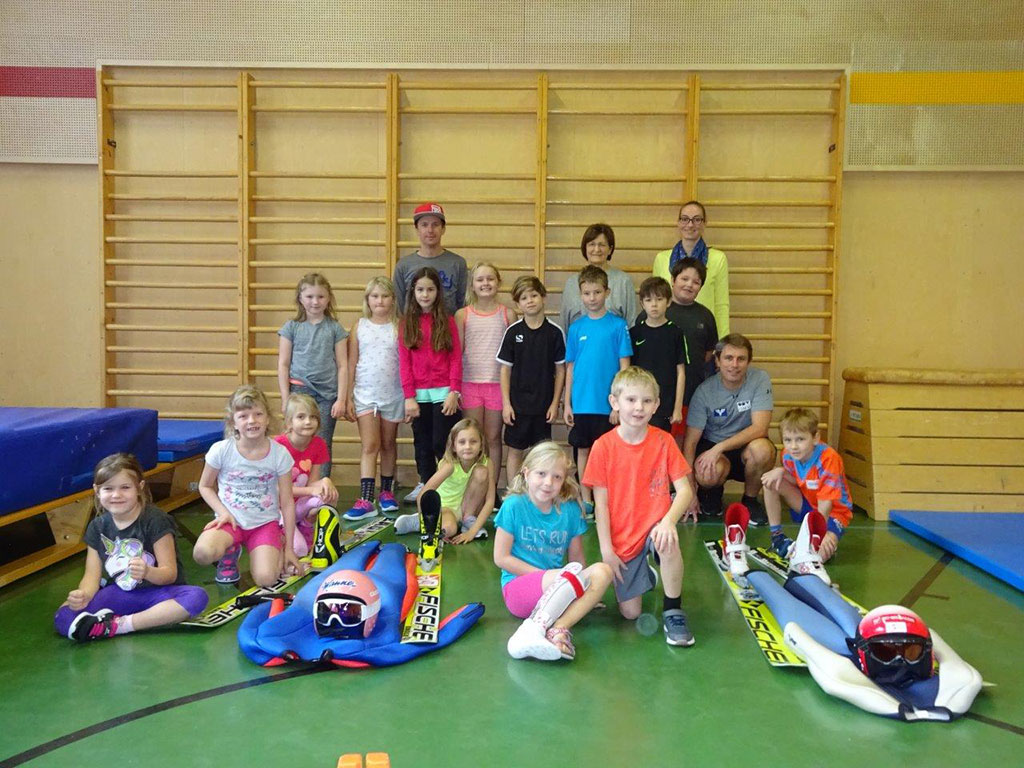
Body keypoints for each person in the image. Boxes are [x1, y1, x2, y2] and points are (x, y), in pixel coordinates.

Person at [583, 367, 696, 646]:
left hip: (656, 526)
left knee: (667, 541)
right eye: (631, 400)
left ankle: (673, 610)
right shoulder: (602, 447)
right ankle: (648, 573)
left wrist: (668, 521)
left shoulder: (664, 441)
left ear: (656, 405)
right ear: (614, 402)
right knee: (631, 614)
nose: (638, 408)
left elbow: (685, 491)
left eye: (646, 401)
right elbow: (601, 505)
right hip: (624, 536)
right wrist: (607, 550)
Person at [54, 453, 208, 642]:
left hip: (159, 594)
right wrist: (83, 595)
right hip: (119, 594)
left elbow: (170, 574)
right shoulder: (97, 527)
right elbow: (91, 577)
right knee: (63, 616)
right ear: (97, 490)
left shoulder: (155, 520)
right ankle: (120, 622)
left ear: (139, 487)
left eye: (125, 487)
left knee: (196, 597)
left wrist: (148, 572)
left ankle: (119, 625)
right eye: (108, 488)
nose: (116, 495)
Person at [494, 441, 612, 661]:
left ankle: (558, 628)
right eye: (541, 474)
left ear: (564, 479)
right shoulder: (514, 505)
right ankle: (530, 632)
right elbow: (501, 558)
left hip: (560, 585)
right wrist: (550, 578)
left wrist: (582, 589)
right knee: (570, 576)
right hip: (520, 589)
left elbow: (577, 560)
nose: (548, 482)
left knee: (603, 571)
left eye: (557, 477)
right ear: (526, 473)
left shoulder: (570, 510)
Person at [192, 385, 302, 587]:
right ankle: (230, 549)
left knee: (266, 579)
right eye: (243, 416)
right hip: (230, 522)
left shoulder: (279, 454)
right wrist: (223, 513)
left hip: (263, 524)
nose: (252, 421)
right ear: (233, 422)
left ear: (267, 419)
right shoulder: (221, 450)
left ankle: (277, 543)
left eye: (258, 414)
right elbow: (205, 486)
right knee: (202, 553)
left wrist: (289, 549)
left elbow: (287, 502)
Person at [683, 333, 776, 524]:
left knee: (763, 450)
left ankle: (750, 501)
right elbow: (690, 443)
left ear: (748, 361)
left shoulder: (760, 379)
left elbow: (760, 428)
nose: (734, 365)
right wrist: (689, 491)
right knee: (706, 471)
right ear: (717, 361)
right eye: (728, 358)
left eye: (741, 359)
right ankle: (712, 494)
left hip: (746, 447)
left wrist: (720, 447)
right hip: (714, 448)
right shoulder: (704, 391)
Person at [564, 265, 633, 512]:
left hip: (608, 406)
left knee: (609, 453)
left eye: (597, 292)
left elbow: (625, 368)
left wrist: (619, 404)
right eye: (587, 293)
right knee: (583, 450)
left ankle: (608, 499)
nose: (592, 298)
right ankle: (587, 499)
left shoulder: (618, 326)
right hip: (582, 403)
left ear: (607, 292)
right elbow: (570, 368)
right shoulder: (576, 328)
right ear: (580, 294)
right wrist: (567, 403)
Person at [398, 266, 463, 504]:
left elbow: (455, 358)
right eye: (420, 290)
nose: (425, 295)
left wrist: (454, 391)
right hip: (418, 396)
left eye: (430, 289)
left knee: (441, 442)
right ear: (413, 292)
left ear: (438, 292)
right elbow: (404, 362)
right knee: (422, 443)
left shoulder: (447, 321)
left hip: (444, 393)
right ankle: (425, 483)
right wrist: (409, 396)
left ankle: (448, 485)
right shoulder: (406, 323)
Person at [277, 272, 349, 479]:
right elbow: (283, 364)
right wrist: (286, 398)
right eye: (309, 296)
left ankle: (320, 489)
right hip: (300, 390)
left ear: (328, 298)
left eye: (320, 296)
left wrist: (341, 399)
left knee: (323, 442)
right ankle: (293, 485)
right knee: (295, 438)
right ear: (300, 298)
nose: (315, 302)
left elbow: (343, 365)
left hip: (327, 395)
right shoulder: (292, 327)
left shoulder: (335, 328)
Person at [760, 407, 853, 562]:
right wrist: (781, 471)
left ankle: (812, 545)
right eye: (788, 440)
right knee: (770, 481)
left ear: (815, 438)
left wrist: (820, 533)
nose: (793, 446)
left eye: (800, 439)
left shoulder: (828, 459)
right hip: (809, 504)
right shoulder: (788, 455)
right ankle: (777, 537)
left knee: (818, 555)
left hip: (833, 513)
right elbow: (798, 480)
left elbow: (826, 503)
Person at [345, 276, 404, 518]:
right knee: (370, 445)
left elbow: (406, 363)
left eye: (385, 296)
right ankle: (366, 498)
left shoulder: (399, 326)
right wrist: (347, 396)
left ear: (393, 299)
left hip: (393, 394)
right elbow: (351, 363)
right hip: (365, 395)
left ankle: (387, 493)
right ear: (367, 300)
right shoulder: (359, 326)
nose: (380, 301)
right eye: (375, 296)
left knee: (389, 444)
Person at [497, 276, 566, 480]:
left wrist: (554, 403)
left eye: (534, 295)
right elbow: (505, 370)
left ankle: (539, 492)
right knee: (515, 451)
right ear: (518, 304)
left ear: (543, 297)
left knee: (542, 455)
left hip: (543, 407)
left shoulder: (555, 333)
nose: (530, 301)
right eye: (524, 298)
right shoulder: (513, 332)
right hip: (517, 407)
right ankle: (513, 492)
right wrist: (506, 404)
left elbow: (561, 370)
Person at [455, 262, 513, 495]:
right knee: (472, 439)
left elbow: (513, 355)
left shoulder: (507, 314)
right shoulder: (463, 314)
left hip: (497, 385)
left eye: (490, 278)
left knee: (493, 438)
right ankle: (472, 490)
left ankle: (491, 489)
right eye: (480, 280)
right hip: (470, 384)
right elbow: (457, 353)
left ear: (498, 282)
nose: (485, 283)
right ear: (472, 285)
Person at [394, 418, 495, 544]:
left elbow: (490, 501)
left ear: (481, 445)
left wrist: (472, 532)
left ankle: (468, 521)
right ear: (454, 446)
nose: (468, 447)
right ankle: (419, 522)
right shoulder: (450, 465)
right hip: (445, 508)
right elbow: (424, 493)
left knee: (481, 471)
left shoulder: (487, 463)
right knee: (449, 529)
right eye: (462, 442)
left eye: (473, 441)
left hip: (468, 509)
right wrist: (425, 523)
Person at [274, 393, 341, 552]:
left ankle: (307, 525)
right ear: (289, 422)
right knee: (299, 550)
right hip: (278, 508)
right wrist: (311, 490)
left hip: (298, 506)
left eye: (313, 417)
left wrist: (325, 481)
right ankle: (282, 532)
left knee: (330, 495)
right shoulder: (278, 446)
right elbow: (276, 489)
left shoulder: (318, 444)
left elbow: (312, 482)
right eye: (301, 417)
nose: (308, 422)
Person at [652, 200, 729, 337]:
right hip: (667, 331)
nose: (690, 224)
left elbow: (721, 305)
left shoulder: (718, 259)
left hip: (702, 332)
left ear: (705, 223)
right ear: (678, 222)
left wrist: (722, 342)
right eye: (685, 219)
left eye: (697, 219)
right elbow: (656, 299)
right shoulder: (661, 258)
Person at [630, 276, 686, 434]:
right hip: (638, 403)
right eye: (648, 300)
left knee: (660, 443)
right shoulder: (634, 333)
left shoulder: (676, 333)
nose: (654, 305)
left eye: (659, 299)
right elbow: (628, 372)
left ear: (668, 302)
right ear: (642, 304)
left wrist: (677, 408)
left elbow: (681, 372)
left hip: (664, 404)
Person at [560, 223, 638, 331]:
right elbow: (564, 325)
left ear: (610, 249)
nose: (596, 249)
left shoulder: (623, 281)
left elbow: (631, 323)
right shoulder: (572, 283)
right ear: (585, 248)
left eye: (602, 245)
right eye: (592, 244)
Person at [393, 202, 468, 315]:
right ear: (417, 229)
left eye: (435, 225)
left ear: (443, 229)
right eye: (424, 225)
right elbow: (399, 308)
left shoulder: (458, 263)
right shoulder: (403, 266)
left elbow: (463, 306)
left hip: (448, 325)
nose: (430, 230)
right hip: (413, 325)